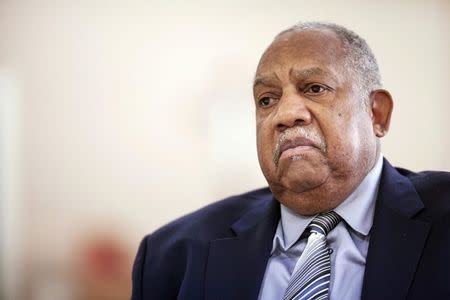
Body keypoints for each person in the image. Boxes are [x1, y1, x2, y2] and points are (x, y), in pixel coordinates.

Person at [131, 22, 450, 300]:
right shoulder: (172, 256)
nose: (284, 114)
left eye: (315, 88)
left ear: (376, 113)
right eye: (267, 99)